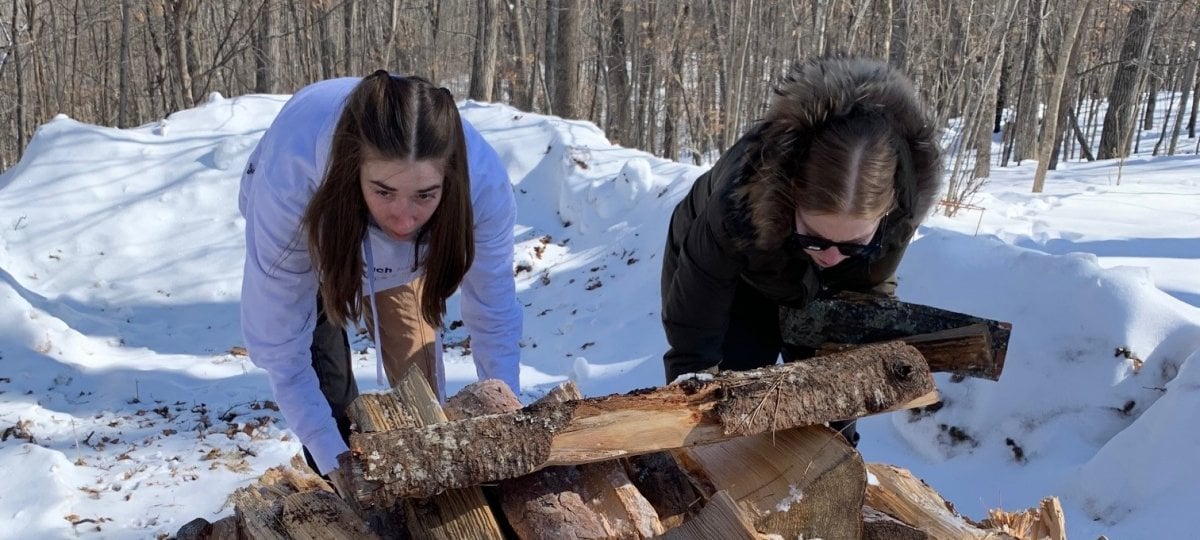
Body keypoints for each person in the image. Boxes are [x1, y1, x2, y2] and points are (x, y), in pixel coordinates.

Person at [239, 71, 522, 477]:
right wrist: (337, 467)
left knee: (421, 392)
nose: (404, 218)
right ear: (355, 167)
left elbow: (494, 316)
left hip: (404, 259)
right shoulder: (291, 184)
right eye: (384, 191)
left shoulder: (484, 185)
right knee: (330, 396)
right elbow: (282, 352)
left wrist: (506, 423)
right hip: (323, 234)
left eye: (425, 194)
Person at [660, 56, 943, 446]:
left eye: (853, 244)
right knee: (732, 394)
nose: (830, 256)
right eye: (816, 237)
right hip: (738, 271)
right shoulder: (736, 204)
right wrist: (695, 413)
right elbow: (694, 340)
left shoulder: (902, 207)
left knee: (827, 421)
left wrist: (839, 423)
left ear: (887, 213)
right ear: (790, 193)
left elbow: (859, 306)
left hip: (818, 288)